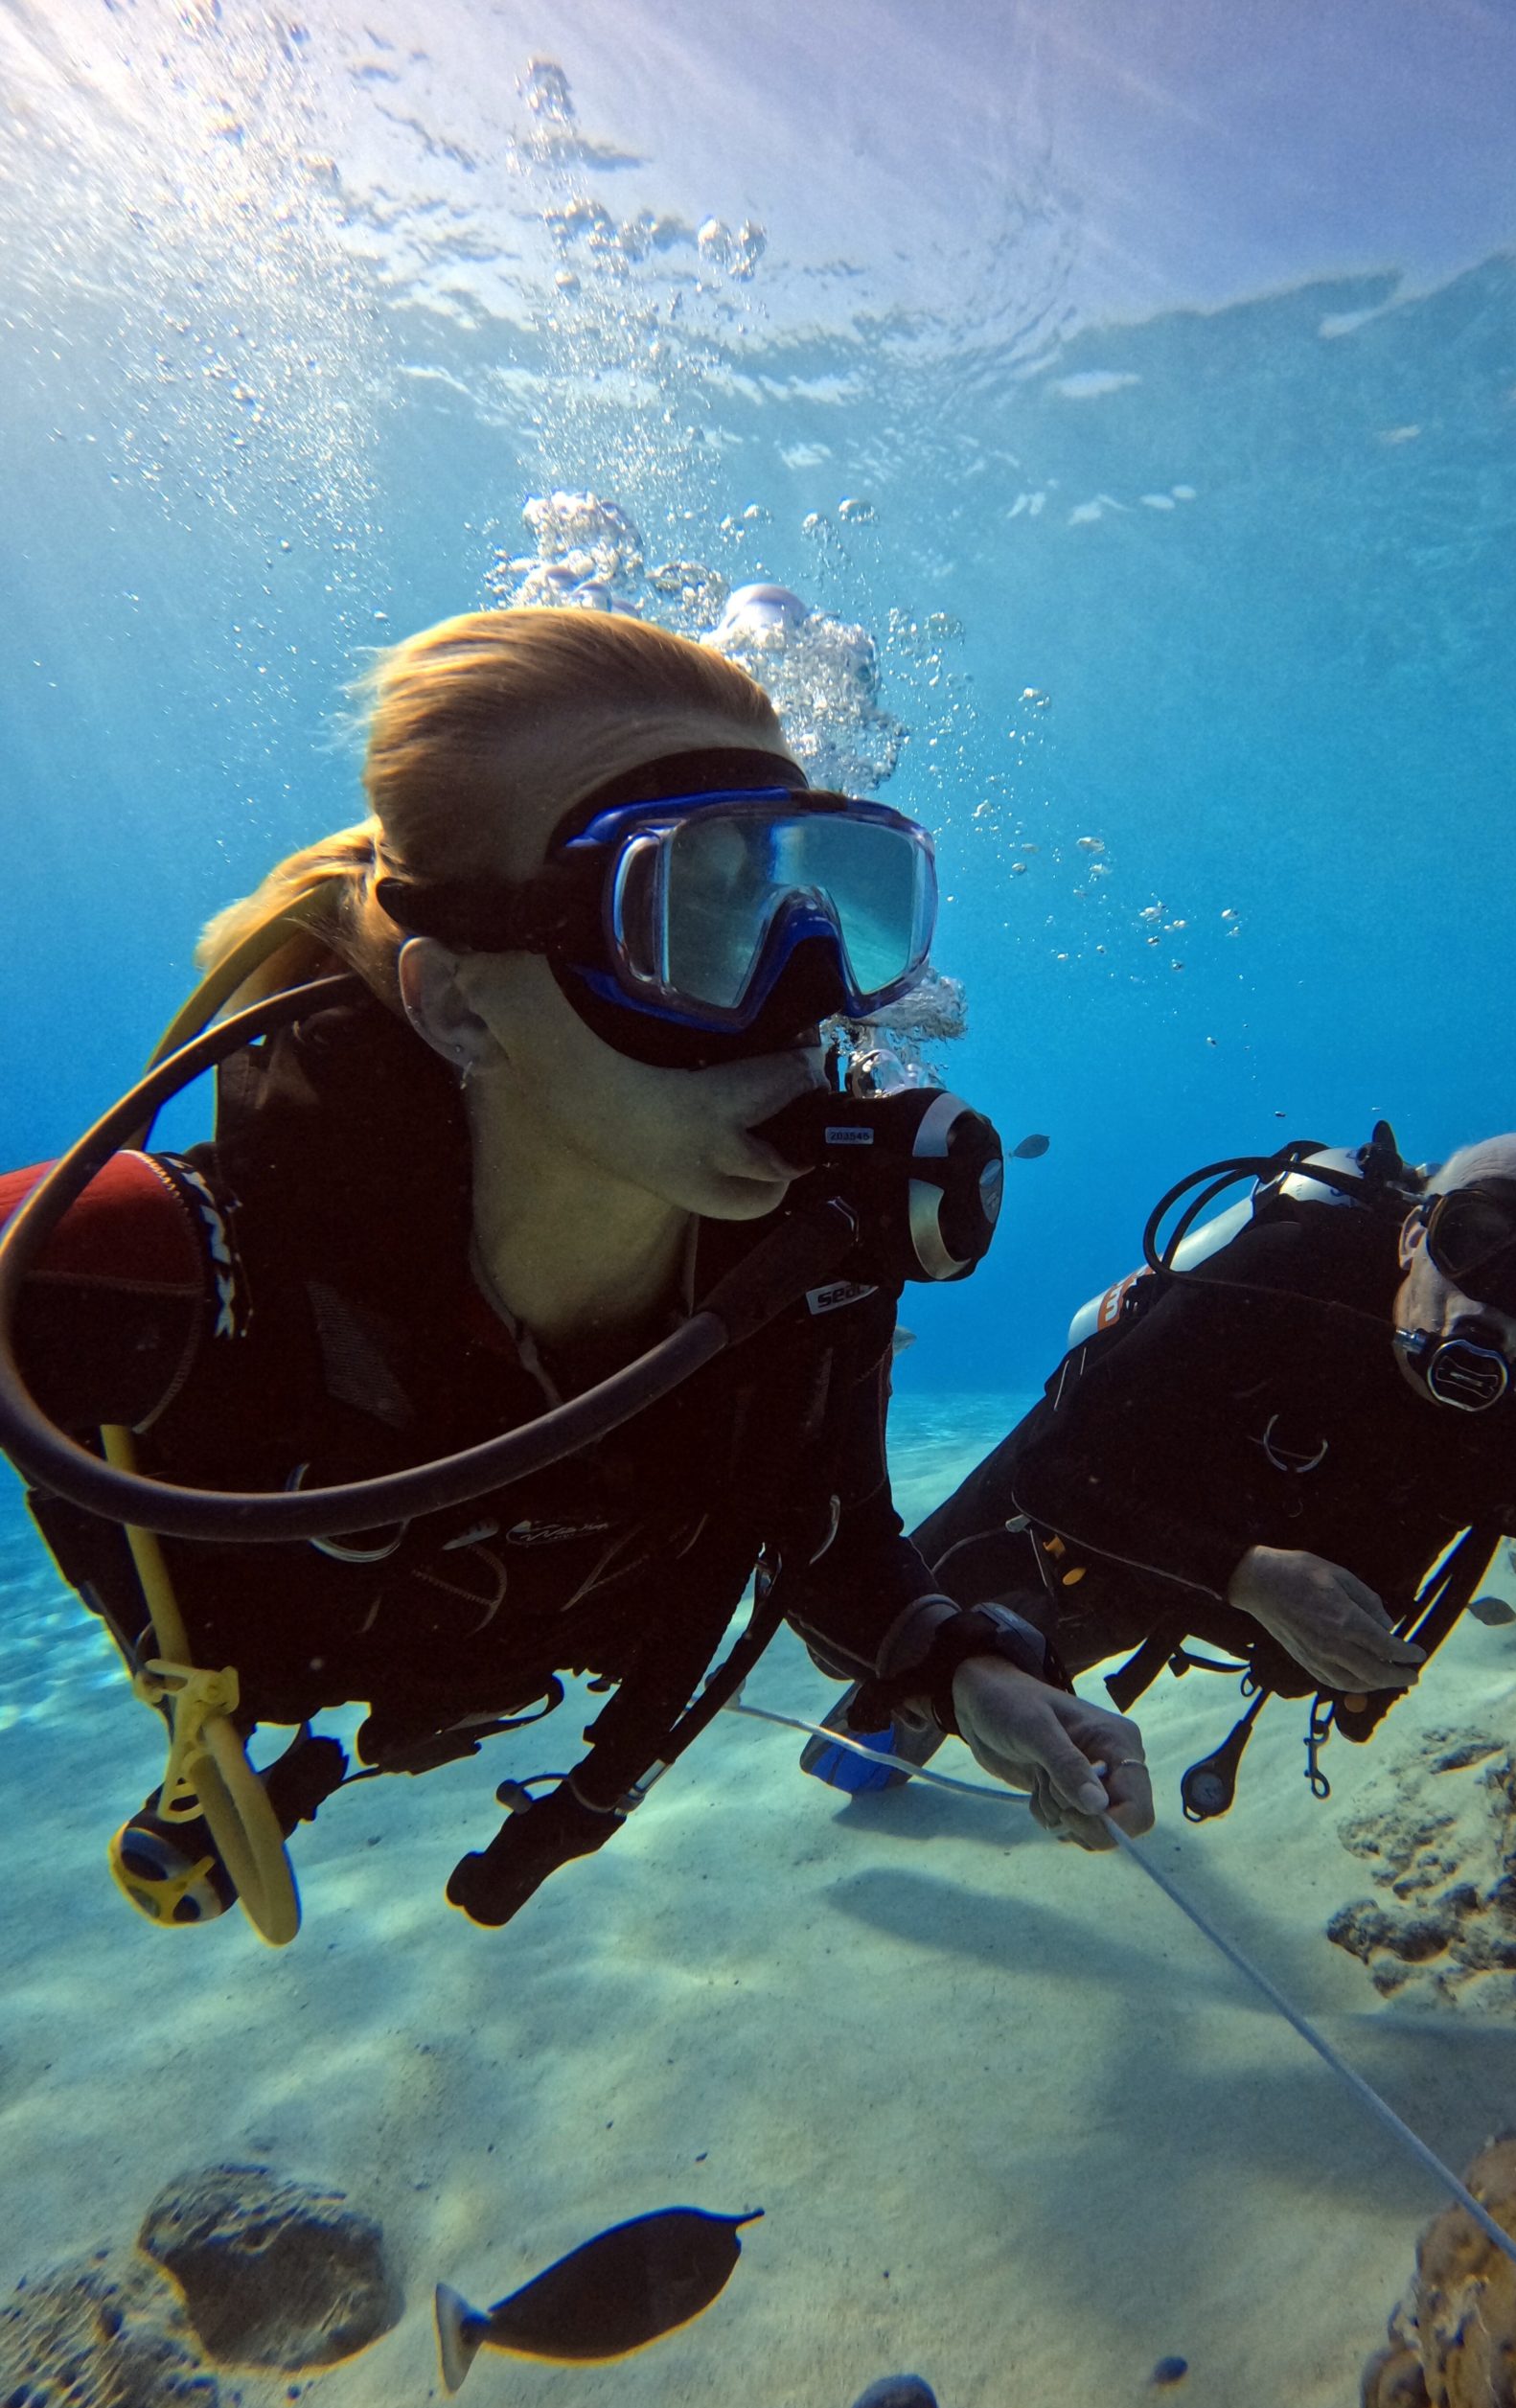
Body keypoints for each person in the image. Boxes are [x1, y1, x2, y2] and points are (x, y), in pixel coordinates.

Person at [0, 608, 1150, 1938]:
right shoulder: (116, 1273)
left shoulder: (806, 1264)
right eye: (691, 918)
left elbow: (824, 1539)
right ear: (457, 1002)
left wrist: (960, 1673)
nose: (804, 998)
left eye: (827, 909)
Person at [813, 1125, 1516, 1819]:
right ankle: (931, 1697)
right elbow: (1050, 1465)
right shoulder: (1281, 1277)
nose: (1494, 1302)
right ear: (1411, 1234)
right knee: (885, 1639)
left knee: (1027, 1671)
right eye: (1474, 1242)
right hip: (1087, 1512)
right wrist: (1248, 1572)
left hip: (1229, 1599)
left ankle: (999, 1671)